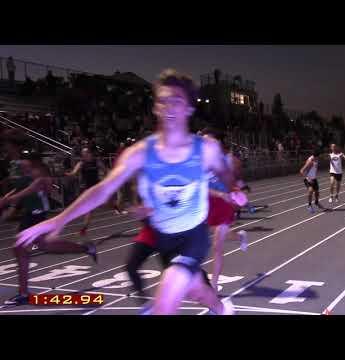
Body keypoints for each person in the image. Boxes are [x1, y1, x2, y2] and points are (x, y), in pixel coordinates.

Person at [16, 69, 236, 315]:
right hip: (164, 237)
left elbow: (225, 174)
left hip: (193, 236)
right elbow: (103, 188)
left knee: (167, 298)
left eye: (177, 101)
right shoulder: (141, 153)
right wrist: (60, 219)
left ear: (189, 109)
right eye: (163, 101)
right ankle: (221, 307)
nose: (169, 107)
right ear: (155, 108)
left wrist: (233, 190)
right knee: (195, 288)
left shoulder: (205, 149)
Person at [0, 153, 97, 305]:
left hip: (37, 217)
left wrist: (8, 200)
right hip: (28, 217)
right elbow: (16, 191)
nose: (24, 170)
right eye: (23, 168)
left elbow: (28, 191)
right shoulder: (25, 178)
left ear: (35, 166)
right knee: (37, 247)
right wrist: (6, 199)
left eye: (27, 167)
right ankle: (86, 248)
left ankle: (24, 293)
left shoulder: (42, 178)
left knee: (23, 249)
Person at [202, 128, 248, 292]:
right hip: (208, 204)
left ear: (218, 143)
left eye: (209, 140)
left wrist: (238, 193)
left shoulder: (230, 161)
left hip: (224, 205)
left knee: (216, 246)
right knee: (215, 235)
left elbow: (238, 181)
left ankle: (213, 286)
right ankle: (240, 236)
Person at [64, 146, 106, 235]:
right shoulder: (81, 163)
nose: (84, 155)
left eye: (86, 153)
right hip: (87, 189)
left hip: (97, 187)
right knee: (89, 209)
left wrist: (107, 178)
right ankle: (84, 228)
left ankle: (116, 207)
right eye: (83, 153)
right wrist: (68, 174)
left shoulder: (96, 162)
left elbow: (105, 171)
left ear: (90, 153)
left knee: (105, 203)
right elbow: (74, 173)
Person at [300, 148, 324, 213]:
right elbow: (302, 170)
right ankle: (309, 206)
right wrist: (308, 179)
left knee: (317, 192)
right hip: (308, 179)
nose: (319, 158)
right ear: (316, 156)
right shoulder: (310, 161)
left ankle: (316, 202)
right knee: (310, 191)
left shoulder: (316, 160)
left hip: (314, 178)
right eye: (319, 156)